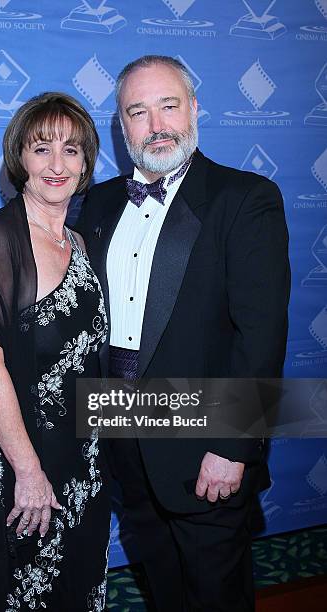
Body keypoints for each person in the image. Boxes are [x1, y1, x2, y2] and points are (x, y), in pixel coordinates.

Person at [77, 56, 290, 611]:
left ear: (194, 109)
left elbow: (261, 335)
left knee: (217, 596)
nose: (156, 124)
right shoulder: (97, 204)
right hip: (122, 438)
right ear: (122, 128)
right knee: (164, 590)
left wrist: (232, 445)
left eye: (168, 105)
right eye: (138, 111)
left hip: (204, 449)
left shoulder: (244, 199)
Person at [0, 92, 110, 611]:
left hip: (82, 458)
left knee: (81, 587)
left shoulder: (81, 243)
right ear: (19, 157)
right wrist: (28, 472)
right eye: (41, 148)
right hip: (18, 463)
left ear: (86, 161)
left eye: (71, 149)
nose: (57, 164)